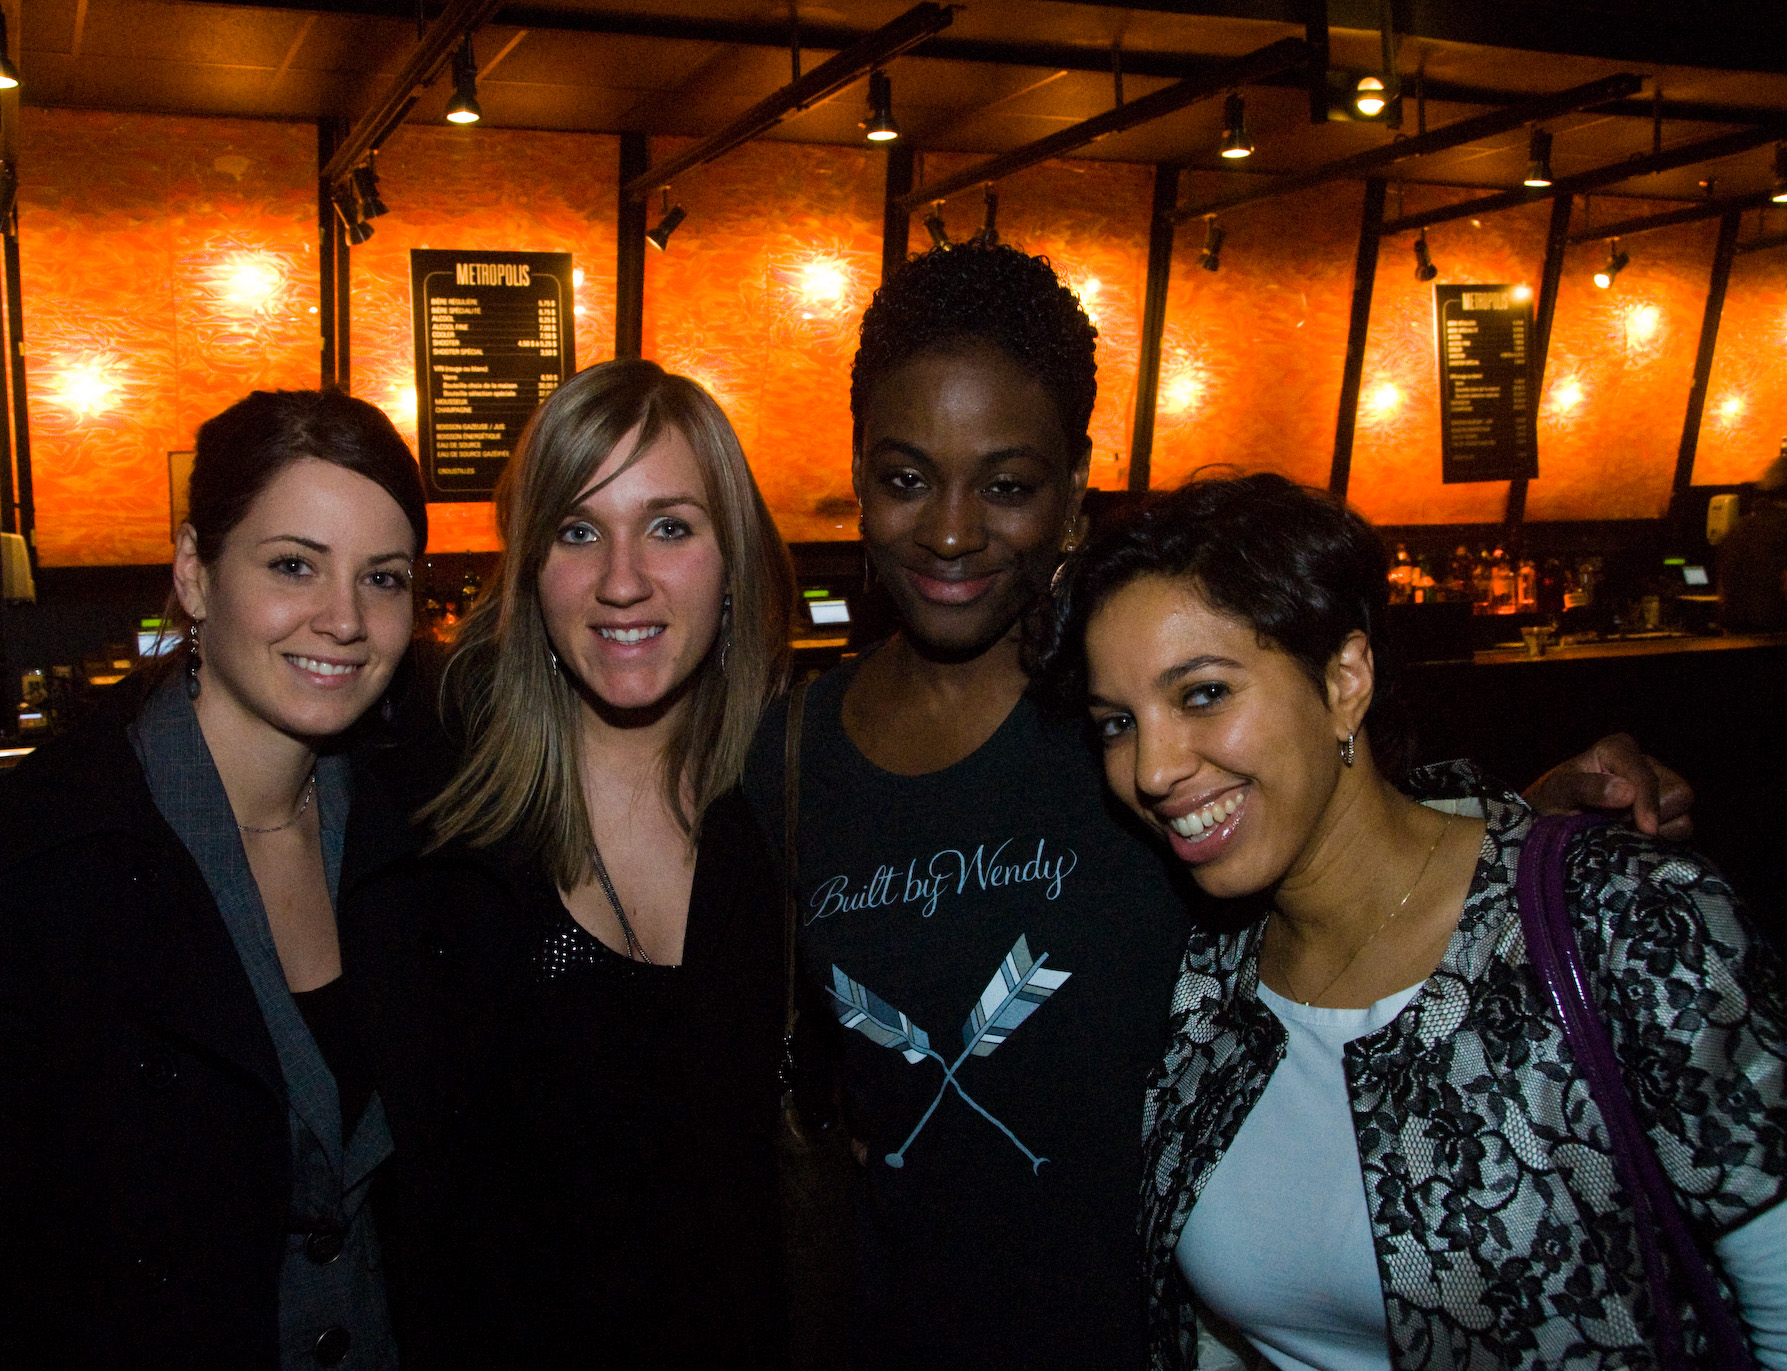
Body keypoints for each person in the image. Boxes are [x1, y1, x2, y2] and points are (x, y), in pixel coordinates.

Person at [743, 241, 1699, 1367]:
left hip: (1163, 1336)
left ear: (1071, 490)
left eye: (1006, 485)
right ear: (857, 473)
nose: (950, 531)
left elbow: (1343, 844)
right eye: (905, 478)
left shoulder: (1128, 719)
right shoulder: (788, 757)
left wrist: (1523, 828)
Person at [1048, 472, 1787, 1371]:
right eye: (1118, 722)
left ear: (1343, 678)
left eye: (1202, 692)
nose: (1153, 768)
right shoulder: (1197, 973)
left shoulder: (1624, 922)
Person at [0, 390, 483, 1369]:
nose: (344, 619)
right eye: (293, 565)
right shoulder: (17, 875)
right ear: (194, 571)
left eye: (382, 577)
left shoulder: (421, 842)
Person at [419, 358, 796, 1365]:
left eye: (670, 527)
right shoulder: (447, 846)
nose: (622, 579)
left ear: (731, 565)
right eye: (578, 532)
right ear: (532, 570)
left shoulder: (779, 811)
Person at [1718, 455, 1787, 632]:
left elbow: (1724, 592)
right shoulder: (1782, 527)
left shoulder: (1739, 527)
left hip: (1738, 638)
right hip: (1777, 638)